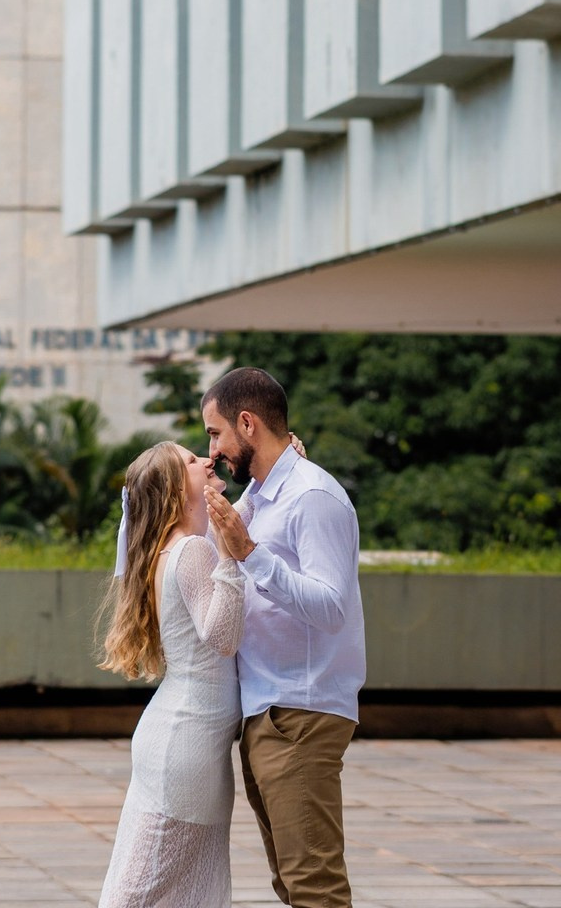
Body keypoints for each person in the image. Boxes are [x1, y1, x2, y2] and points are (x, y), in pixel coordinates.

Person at [203, 367, 366, 908]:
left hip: (301, 710)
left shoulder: (312, 496)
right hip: (267, 711)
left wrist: (251, 555)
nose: (213, 450)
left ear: (247, 423)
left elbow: (331, 608)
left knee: (314, 886)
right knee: (292, 884)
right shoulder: (260, 495)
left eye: (216, 433)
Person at [95, 440, 245, 908]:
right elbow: (223, 635)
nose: (207, 459)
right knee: (141, 892)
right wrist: (232, 559)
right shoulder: (193, 551)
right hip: (187, 744)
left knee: (174, 890)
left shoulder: (177, 548)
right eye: (191, 461)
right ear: (177, 490)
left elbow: (244, 517)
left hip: (185, 739)